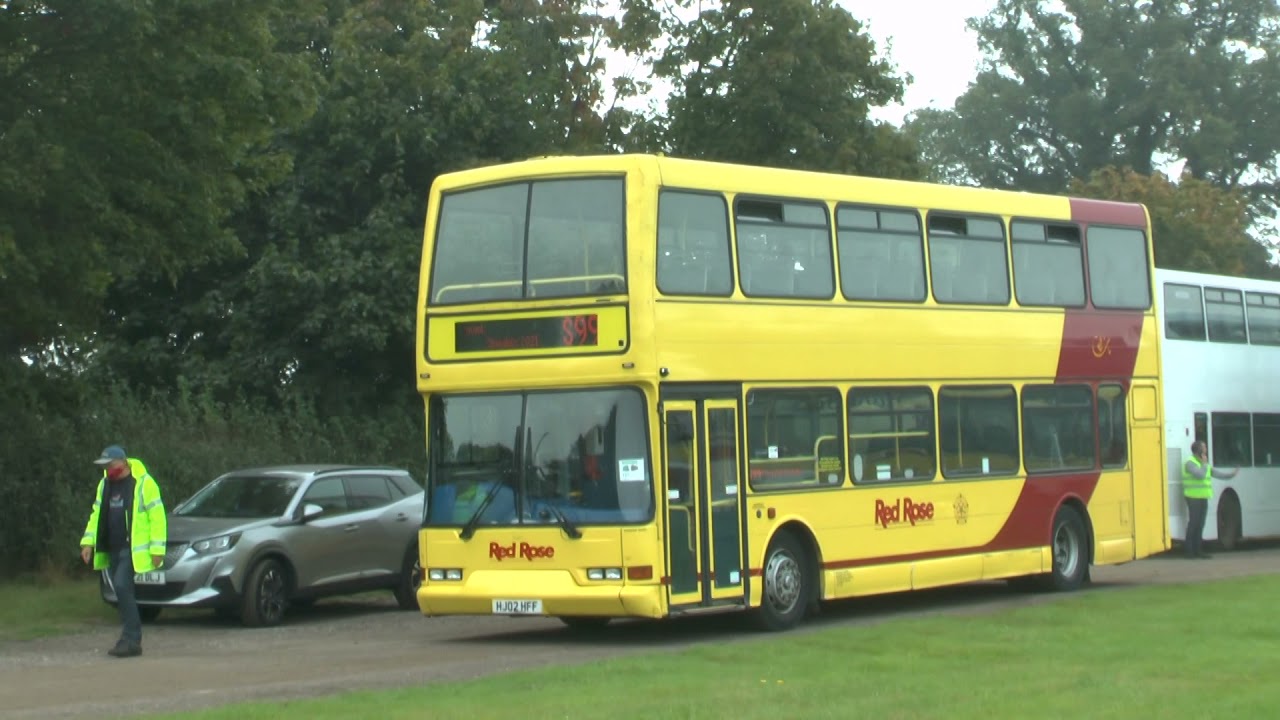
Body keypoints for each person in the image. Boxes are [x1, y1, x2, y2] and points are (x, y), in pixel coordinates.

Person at [79, 445, 167, 658]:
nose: (107, 469)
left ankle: (131, 639)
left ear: (123, 462)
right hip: (112, 547)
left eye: (110, 465)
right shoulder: (105, 484)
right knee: (121, 590)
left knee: (120, 585)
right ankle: (129, 638)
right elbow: (96, 514)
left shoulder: (144, 483)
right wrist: (88, 542)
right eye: (105, 466)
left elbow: (157, 517)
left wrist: (157, 549)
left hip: (132, 549)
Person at [1182, 440, 1238, 560]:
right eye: (1204, 447)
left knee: (1200, 524)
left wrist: (1231, 475)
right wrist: (1204, 464)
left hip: (1203, 497)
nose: (1206, 449)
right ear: (1199, 450)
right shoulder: (1190, 463)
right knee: (1193, 523)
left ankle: (1198, 550)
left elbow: (1215, 473)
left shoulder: (1203, 463)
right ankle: (1189, 551)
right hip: (1193, 497)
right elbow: (1200, 475)